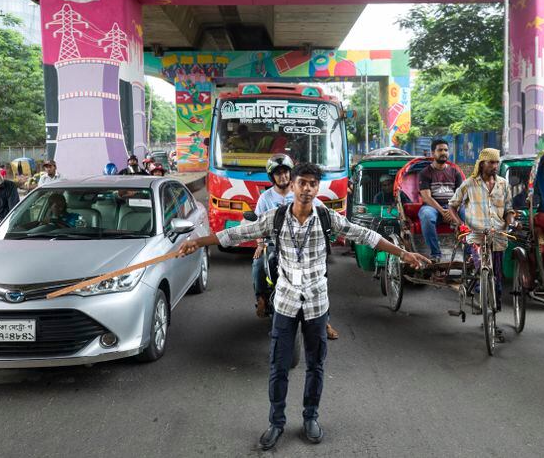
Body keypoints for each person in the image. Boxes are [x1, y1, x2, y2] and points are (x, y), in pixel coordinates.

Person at [177, 162, 430, 451]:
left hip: (316, 303)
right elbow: (238, 234)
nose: (307, 188)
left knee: (316, 365)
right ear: (293, 185)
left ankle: (311, 417)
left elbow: (365, 235)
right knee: (278, 366)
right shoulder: (275, 217)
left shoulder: (326, 217)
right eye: (302, 183)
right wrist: (199, 242)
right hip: (284, 301)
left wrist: (402, 253)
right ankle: (276, 422)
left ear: (316, 187)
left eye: (313, 184)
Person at [251, 155, 339, 339]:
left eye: (285, 173)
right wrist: (260, 243)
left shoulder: (300, 193)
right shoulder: (265, 198)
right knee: (259, 264)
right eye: (278, 173)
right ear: (272, 177)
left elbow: (324, 213)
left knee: (321, 278)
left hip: (304, 246)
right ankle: (261, 298)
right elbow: (257, 223)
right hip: (274, 244)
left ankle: (325, 320)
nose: (282, 176)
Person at [448, 148, 514, 328]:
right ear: (482, 163)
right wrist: (460, 223)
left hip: (498, 235)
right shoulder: (469, 184)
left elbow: (509, 210)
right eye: (491, 162)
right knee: (483, 270)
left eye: (496, 163)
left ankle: (494, 312)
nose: (495, 166)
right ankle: (482, 296)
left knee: (498, 277)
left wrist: (512, 220)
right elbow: (452, 206)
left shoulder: (503, 184)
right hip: (475, 236)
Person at [417, 139, 464, 260]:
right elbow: (426, 197)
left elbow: (461, 195)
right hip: (432, 207)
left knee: (469, 214)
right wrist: (442, 211)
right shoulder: (425, 173)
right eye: (440, 150)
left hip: (453, 206)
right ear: (433, 153)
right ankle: (435, 254)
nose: (443, 152)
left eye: (446, 150)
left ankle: (469, 253)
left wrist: (451, 210)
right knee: (426, 215)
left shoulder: (455, 172)